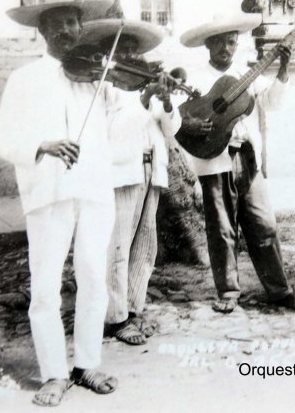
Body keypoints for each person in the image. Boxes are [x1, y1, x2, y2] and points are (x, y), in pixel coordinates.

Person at [0, 0, 120, 406]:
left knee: (93, 279)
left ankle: (87, 364)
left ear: (81, 26)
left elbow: (123, 122)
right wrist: (42, 145)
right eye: (57, 22)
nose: (67, 29)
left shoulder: (97, 77)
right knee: (45, 286)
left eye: (72, 21)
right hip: (47, 190)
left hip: (95, 188)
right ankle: (53, 374)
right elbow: (2, 139)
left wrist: (143, 88)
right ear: (42, 29)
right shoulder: (23, 79)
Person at [176, 14, 295, 314]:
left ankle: (279, 290)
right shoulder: (195, 76)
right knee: (222, 228)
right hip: (213, 160)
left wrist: (284, 69)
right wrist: (189, 126)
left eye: (231, 42)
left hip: (246, 157)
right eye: (220, 43)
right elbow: (177, 114)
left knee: (264, 224)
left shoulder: (247, 74)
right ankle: (228, 292)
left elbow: (273, 103)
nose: (226, 48)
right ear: (209, 45)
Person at [78, 19, 181, 345]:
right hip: (121, 173)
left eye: (134, 49)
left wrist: (165, 102)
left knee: (145, 247)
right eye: (123, 48)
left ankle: (134, 308)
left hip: (152, 171)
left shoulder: (144, 83)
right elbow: (112, 133)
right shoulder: (104, 86)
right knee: (117, 247)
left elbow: (170, 129)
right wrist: (143, 98)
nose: (130, 54)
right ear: (111, 51)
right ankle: (115, 317)